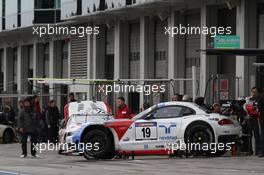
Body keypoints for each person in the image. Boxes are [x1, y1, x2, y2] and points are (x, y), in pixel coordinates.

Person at [243, 87, 261, 155]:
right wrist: (250, 109)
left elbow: (258, 108)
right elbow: (245, 107)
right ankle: (250, 150)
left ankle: (258, 150)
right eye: (253, 92)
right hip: (249, 118)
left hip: (256, 118)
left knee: (257, 134)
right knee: (249, 135)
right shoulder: (248, 99)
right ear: (251, 92)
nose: (254, 93)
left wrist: (253, 109)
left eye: (255, 92)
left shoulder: (259, 99)